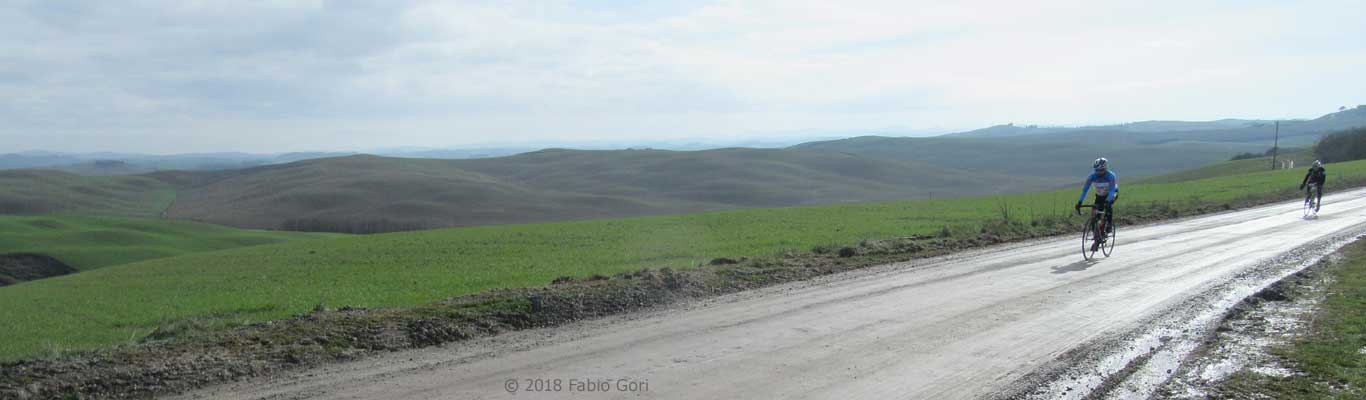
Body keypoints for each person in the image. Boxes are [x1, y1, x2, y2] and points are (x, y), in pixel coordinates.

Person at [1075, 158, 1119, 251]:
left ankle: (1109, 225)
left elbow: (1111, 190)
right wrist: (1079, 202)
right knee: (1094, 214)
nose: (1098, 172)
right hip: (1099, 196)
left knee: (1107, 207)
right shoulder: (1092, 176)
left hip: (1111, 194)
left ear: (1105, 169)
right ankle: (1097, 236)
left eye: (1101, 170)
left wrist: (1108, 202)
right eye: (1096, 170)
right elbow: (1085, 190)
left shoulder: (1111, 176)